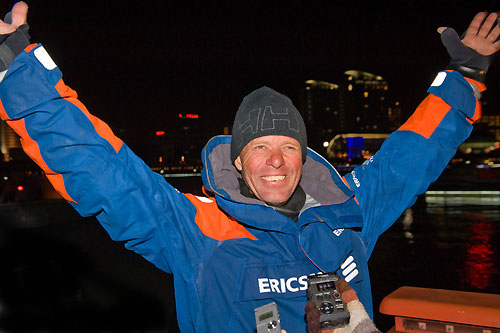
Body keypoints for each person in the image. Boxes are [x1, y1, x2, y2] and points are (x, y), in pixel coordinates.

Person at [1, 2, 499, 332]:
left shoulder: (349, 210)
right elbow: (99, 169)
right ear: (238, 160)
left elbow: (412, 154)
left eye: (289, 146)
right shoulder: (196, 230)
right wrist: (16, 67)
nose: (277, 161)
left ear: (305, 156)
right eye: (260, 147)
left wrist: (466, 75)